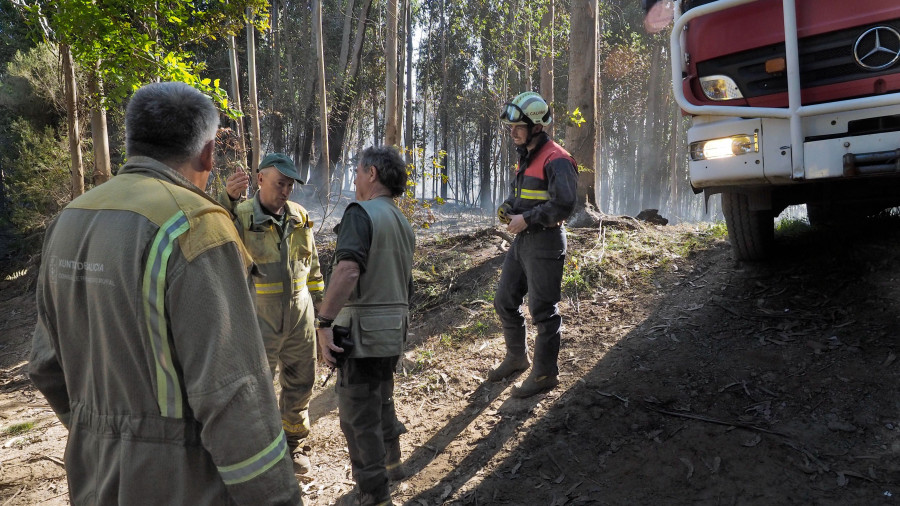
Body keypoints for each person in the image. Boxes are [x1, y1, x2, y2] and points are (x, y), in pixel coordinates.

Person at [27, 82, 303, 505]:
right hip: (182, 484)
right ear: (208, 153)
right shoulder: (197, 226)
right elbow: (233, 395)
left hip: (93, 474)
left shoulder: (69, 220)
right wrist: (279, 498)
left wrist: (101, 431)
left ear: (132, 141)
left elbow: (46, 365)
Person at [316, 146, 415, 506]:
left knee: (358, 417)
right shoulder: (401, 220)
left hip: (362, 335)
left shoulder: (361, 213)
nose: (355, 179)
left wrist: (323, 322)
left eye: (358, 172)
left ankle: (373, 493)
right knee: (381, 400)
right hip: (392, 333)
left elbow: (347, 270)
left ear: (372, 174)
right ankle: (393, 462)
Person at [220, 153, 325, 474]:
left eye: (291, 185)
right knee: (254, 388)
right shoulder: (238, 215)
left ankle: (293, 446)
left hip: (300, 322)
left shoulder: (301, 217)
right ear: (260, 178)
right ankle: (258, 449)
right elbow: (212, 234)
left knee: (301, 384)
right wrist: (226, 199)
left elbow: (314, 271)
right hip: (256, 322)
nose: (286, 191)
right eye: (280, 183)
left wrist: (324, 318)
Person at [490, 91, 578, 398]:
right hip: (523, 242)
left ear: (537, 126)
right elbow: (525, 196)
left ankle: (544, 374)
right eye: (511, 127)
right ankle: (517, 357)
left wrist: (527, 219)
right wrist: (509, 206)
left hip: (545, 242)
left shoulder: (558, 159)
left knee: (543, 311)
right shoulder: (527, 157)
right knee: (504, 300)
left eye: (518, 126)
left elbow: (565, 203)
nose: (512, 132)